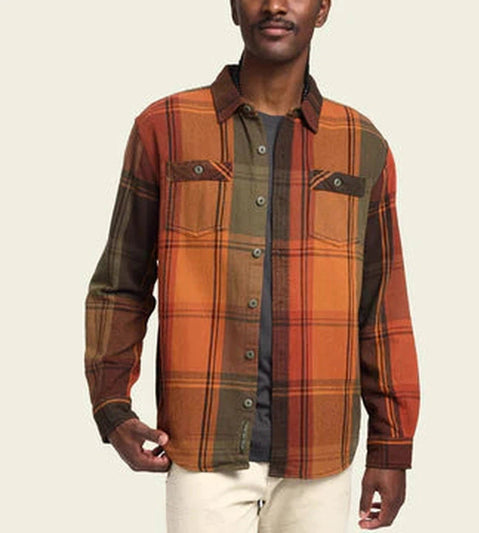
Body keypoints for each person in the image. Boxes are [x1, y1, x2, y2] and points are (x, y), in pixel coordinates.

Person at [83, 0, 420, 531]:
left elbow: (381, 306)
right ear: (234, 7)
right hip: (202, 445)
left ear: (323, 9)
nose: (276, 5)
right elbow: (120, 285)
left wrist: (391, 446)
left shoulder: (363, 144)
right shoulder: (165, 127)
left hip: (320, 452)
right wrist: (111, 408)